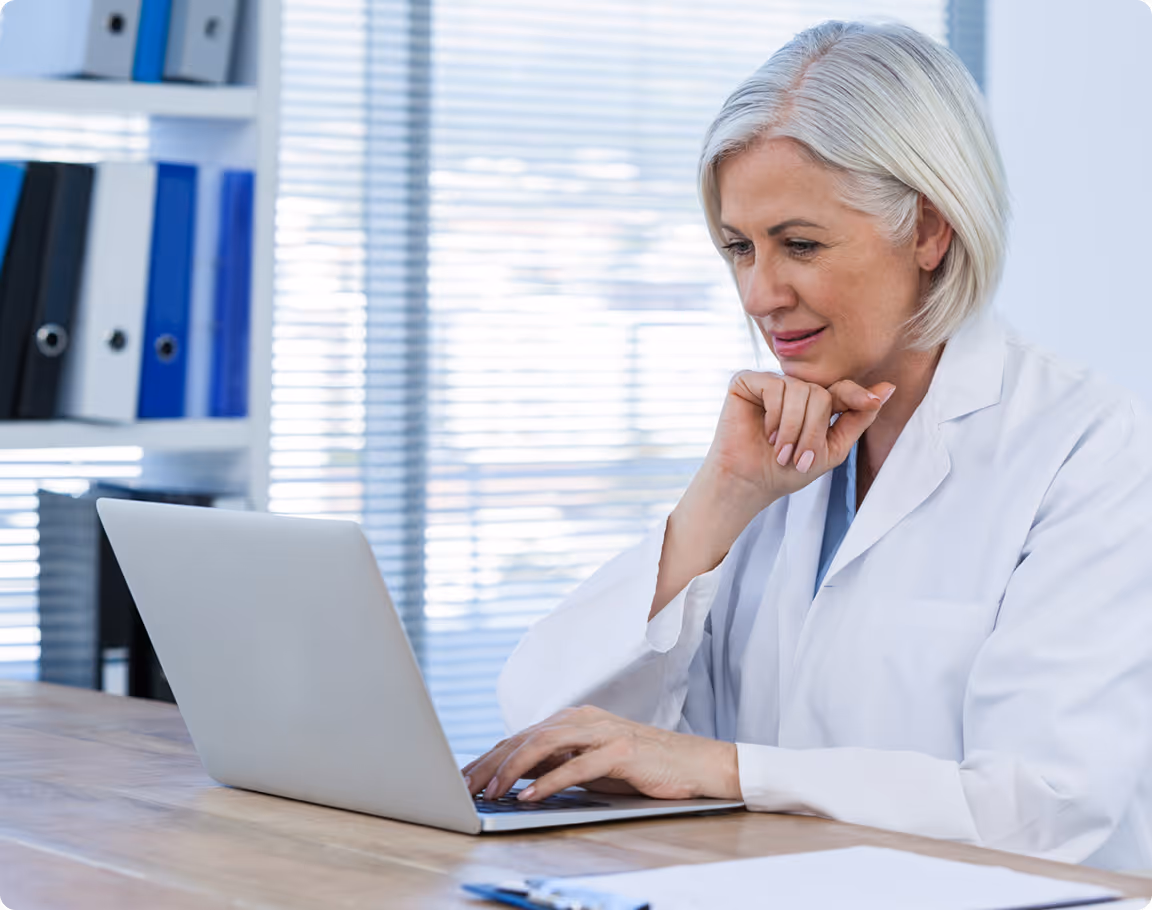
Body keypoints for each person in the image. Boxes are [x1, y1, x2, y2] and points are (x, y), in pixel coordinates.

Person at [461, 20, 1152, 871]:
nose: (759, 293)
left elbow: (1043, 809)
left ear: (930, 231)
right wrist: (721, 500)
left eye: (800, 245)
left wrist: (724, 769)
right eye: (738, 248)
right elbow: (548, 729)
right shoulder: (777, 446)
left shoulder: (1091, 448)